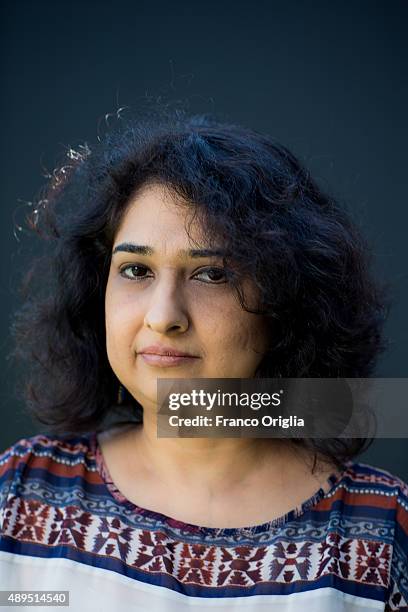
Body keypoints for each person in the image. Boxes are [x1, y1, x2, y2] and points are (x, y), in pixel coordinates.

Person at [0, 109, 407, 611]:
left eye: (212, 274)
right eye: (135, 269)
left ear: (286, 300)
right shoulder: (19, 494)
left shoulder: (383, 536)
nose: (163, 316)